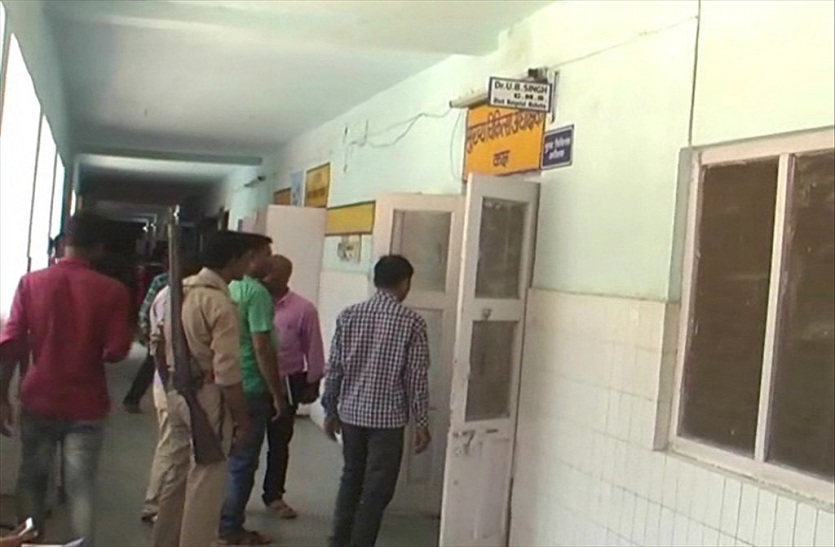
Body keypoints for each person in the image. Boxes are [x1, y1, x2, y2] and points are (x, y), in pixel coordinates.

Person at [0, 212, 133, 545]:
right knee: (80, 485)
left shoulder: (30, 283)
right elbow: (117, 351)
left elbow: (10, 344)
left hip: (38, 397)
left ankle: (28, 541)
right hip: (87, 403)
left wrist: (1, 396)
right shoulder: (113, 291)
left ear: (63, 243)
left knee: (32, 478)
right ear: (100, 248)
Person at [150, 231, 265, 547]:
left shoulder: (174, 293)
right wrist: (242, 418)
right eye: (246, 258)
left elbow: (156, 346)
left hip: (177, 390)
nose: (249, 264)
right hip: (206, 395)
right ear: (233, 260)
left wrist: (172, 383)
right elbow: (228, 373)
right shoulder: (217, 302)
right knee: (206, 481)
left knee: (176, 476)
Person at [322, 255, 432, 547]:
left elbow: (335, 368)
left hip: (351, 414)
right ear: (405, 282)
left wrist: (330, 409)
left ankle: (339, 540)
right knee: (377, 488)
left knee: (351, 478)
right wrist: (421, 422)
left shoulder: (349, 315)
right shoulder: (412, 322)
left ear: (375, 280)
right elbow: (416, 377)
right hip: (388, 420)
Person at [218, 239, 285, 546]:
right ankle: (230, 528)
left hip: (226, 382)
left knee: (224, 456)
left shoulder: (228, 288)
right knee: (243, 461)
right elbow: (261, 347)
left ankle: (215, 519)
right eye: (266, 255)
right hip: (252, 387)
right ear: (252, 257)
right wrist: (277, 393)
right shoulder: (257, 294)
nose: (271, 261)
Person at [258, 255, 325, 519]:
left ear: (285, 277)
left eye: (271, 276)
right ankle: (233, 500)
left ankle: (274, 495)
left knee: (279, 442)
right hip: (254, 380)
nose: (265, 280)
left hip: (287, 381)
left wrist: (313, 382)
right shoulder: (252, 301)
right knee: (245, 444)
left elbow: (314, 347)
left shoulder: (303, 309)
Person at [139, 256, 200, 524]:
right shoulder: (175, 298)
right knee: (171, 446)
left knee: (173, 445)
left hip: (167, 382)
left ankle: (159, 502)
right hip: (171, 383)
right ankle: (155, 503)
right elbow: (161, 345)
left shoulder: (166, 294)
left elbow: (146, 327)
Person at [124, 258, 170, 414]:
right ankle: (132, 399)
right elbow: (146, 307)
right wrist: (146, 331)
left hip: (170, 331)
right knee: (151, 366)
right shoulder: (162, 281)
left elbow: (145, 309)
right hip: (160, 332)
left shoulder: (165, 280)